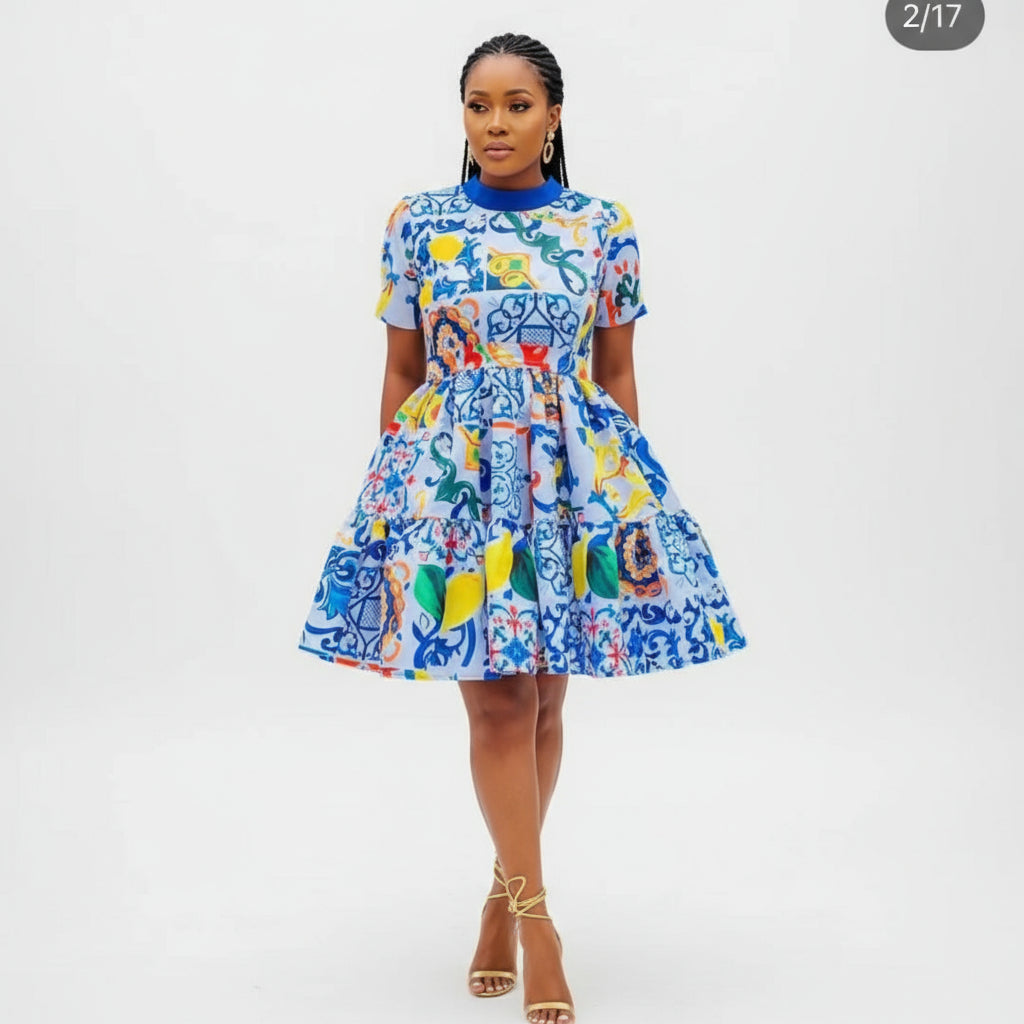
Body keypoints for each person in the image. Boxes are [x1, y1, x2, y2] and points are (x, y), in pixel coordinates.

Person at [298, 31, 749, 1024]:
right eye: (477, 105)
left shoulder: (602, 226)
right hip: (453, 485)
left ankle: (500, 896)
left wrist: (623, 499)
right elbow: (403, 370)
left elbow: (615, 372)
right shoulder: (417, 223)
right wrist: (398, 496)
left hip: (568, 482)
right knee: (498, 707)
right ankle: (538, 922)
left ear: (554, 115)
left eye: (516, 105)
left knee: (544, 702)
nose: (494, 124)